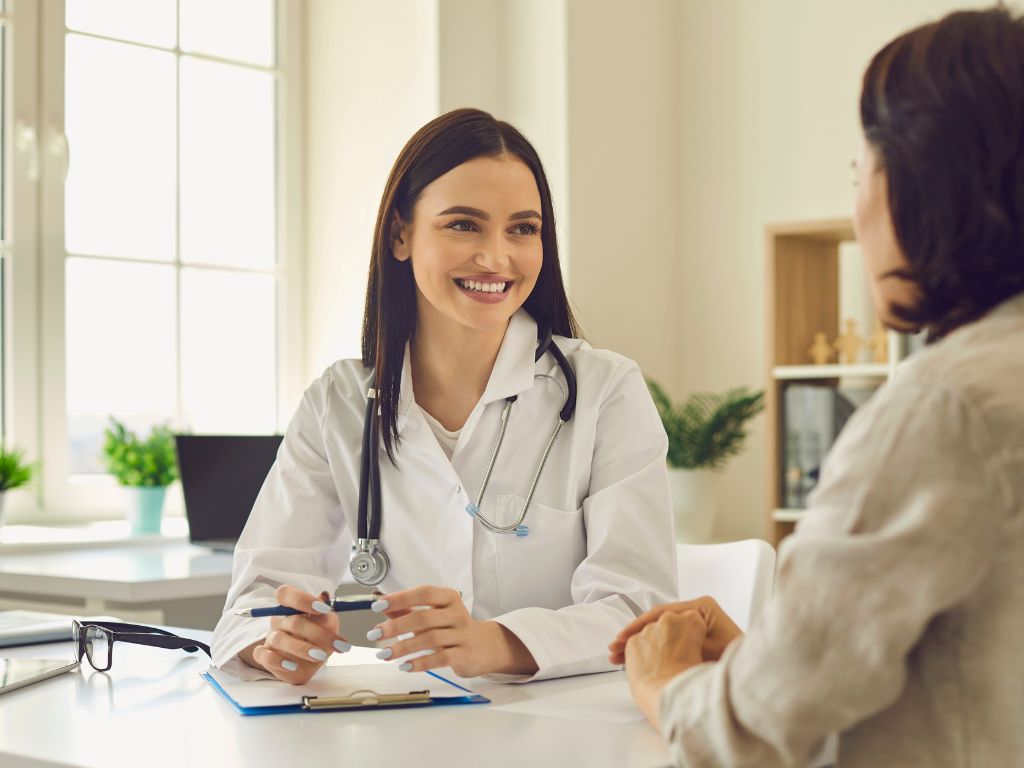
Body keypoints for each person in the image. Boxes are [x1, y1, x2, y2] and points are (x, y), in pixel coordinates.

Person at [611, 7, 1024, 766]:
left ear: (922, 184)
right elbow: (962, 659)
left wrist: (665, 681)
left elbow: (750, 735)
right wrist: (769, 655)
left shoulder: (942, 408)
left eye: (858, 173)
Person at [211, 108, 677, 684]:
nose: (496, 257)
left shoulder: (605, 391)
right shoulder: (340, 402)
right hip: (418, 725)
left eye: (523, 229)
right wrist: (274, 638)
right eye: (463, 224)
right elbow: (255, 596)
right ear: (401, 234)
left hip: (570, 729)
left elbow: (638, 607)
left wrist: (495, 644)